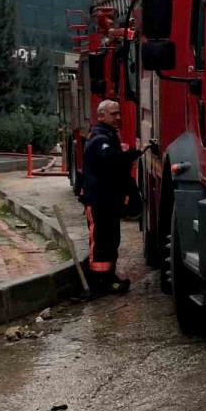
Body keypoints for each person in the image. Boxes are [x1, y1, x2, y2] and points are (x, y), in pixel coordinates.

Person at [82, 99, 144, 295]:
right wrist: (135, 153)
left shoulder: (108, 135)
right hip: (98, 201)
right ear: (101, 116)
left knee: (111, 241)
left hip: (109, 201)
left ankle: (108, 279)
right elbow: (111, 157)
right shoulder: (99, 138)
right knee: (99, 243)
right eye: (113, 114)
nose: (118, 117)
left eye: (119, 114)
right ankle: (96, 282)